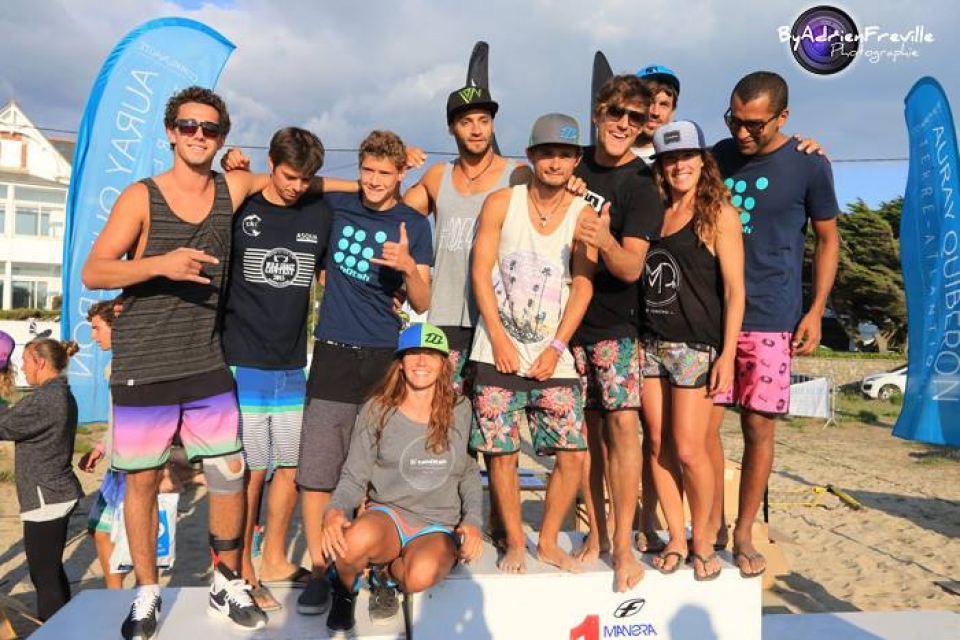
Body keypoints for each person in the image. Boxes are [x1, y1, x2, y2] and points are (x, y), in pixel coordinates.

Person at [82, 86, 274, 638]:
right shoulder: (141, 197)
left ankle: (225, 581)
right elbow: (95, 271)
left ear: (222, 138)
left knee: (229, 472)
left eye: (209, 129)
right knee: (143, 482)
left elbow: (295, 179)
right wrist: (158, 264)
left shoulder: (232, 186)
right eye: (188, 126)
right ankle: (146, 592)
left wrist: (390, 184)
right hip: (144, 361)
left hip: (206, 359)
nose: (198, 135)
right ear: (171, 132)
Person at [295, 129, 433, 619]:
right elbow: (307, 182)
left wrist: (408, 267)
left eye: (384, 173)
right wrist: (348, 185)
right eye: (367, 171)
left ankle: (370, 571)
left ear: (401, 175)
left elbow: (423, 302)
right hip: (332, 351)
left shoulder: (414, 224)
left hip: (382, 356)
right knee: (318, 470)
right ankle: (320, 571)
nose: (374, 181)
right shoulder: (338, 206)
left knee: (376, 471)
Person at [709, 71, 839, 578]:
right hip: (711, 315)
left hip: (770, 317)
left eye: (755, 125)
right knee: (701, 429)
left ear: (782, 117)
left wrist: (816, 310)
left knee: (758, 428)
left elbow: (827, 240)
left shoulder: (809, 164)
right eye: (734, 120)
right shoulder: (716, 157)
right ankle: (710, 523)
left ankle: (743, 531)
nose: (742, 133)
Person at [470, 113, 597, 574]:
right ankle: (515, 543)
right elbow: (480, 271)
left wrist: (556, 348)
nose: (555, 162)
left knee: (572, 453)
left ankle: (546, 540)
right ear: (531, 156)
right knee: (501, 454)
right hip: (496, 350)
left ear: (576, 159)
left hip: (552, 354)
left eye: (564, 154)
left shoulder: (584, 214)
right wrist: (498, 337)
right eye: (546, 153)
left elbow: (583, 286)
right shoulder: (502, 203)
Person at [219, 127, 331, 612]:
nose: (296, 186)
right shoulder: (242, 205)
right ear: (270, 163)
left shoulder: (317, 212)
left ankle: (275, 558)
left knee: (289, 468)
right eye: (289, 176)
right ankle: (242, 567)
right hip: (242, 361)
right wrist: (231, 167)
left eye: (306, 179)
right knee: (251, 471)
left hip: (291, 364)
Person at [320, 323, 483, 634]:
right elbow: (354, 475)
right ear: (400, 362)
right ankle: (344, 590)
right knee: (351, 543)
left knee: (419, 576)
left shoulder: (460, 408)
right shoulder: (377, 408)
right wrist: (335, 510)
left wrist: (473, 520)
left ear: (443, 363)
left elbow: (469, 470)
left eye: (430, 354)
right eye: (413, 354)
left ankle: (385, 576)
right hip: (389, 514)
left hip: (437, 521)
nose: (421, 362)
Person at [569, 74, 663, 592]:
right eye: (615, 113)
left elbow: (630, 268)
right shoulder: (571, 163)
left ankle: (624, 545)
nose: (623, 124)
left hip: (617, 326)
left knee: (624, 428)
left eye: (635, 118)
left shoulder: (641, 185)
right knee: (584, 436)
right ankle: (597, 534)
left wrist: (605, 239)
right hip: (565, 322)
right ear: (598, 113)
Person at [640, 121, 744, 580]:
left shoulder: (719, 215)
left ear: (703, 161)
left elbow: (735, 291)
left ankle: (703, 539)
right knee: (657, 444)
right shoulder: (655, 211)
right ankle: (676, 538)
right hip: (649, 343)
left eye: (686, 156)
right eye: (669, 158)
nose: (678, 165)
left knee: (688, 448)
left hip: (696, 346)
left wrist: (728, 354)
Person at [403, 86, 527, 393]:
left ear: (493, 125)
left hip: (499, 319)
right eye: (466, 122)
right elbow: (395, 217)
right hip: (446, 314)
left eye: (484, 120)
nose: (476, 130)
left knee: (492, 413)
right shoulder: (437, 175)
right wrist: (397, 166)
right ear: (451, 128)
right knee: (447, 410)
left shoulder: (518, 175)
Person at [0, 337, 82, 621]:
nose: (22, 368)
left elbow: (4, 425)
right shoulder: (55, 393)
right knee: (51, 571)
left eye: (25, 361)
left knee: (44, 576)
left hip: (47, 495)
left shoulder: (47, 398)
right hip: (52, 492)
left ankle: (55, 631)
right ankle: (66, 626)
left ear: (41, 362)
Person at [77, 299, 128, 589]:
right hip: (117, 464)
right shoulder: (114, 365)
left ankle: (117, 596)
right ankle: (116, 593)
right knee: (102, 530)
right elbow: (116, 419)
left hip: (132, 464)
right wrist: (100, 447)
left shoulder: (128, 366)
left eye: (97, 328)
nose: (93, 336)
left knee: (109, 532)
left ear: (116, 327)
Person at [632, 64, 681, 166]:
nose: (655, 112)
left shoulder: (681, 164)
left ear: (672, 111)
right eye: (649, 103)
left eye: (663, 105)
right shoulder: (610, 157)